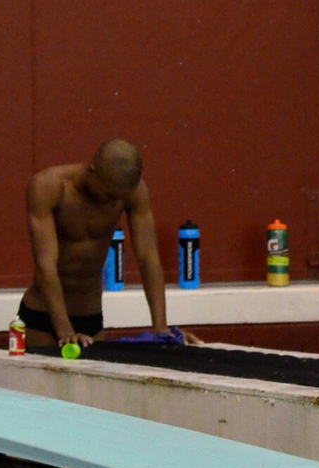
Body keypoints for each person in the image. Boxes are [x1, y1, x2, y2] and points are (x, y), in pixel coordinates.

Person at [20, 139, 194, 351]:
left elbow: (148, 257)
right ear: (92, 171)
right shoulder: (49, 187)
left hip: (91, 317)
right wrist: (65, 331)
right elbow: (46, 263)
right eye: (109, 195)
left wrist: (161, 329)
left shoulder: (132, 191)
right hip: (43, 317)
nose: (112, 202)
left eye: (119, 198)